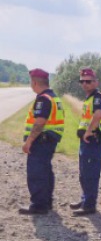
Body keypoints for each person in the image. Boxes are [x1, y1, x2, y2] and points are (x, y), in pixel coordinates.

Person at [19, 68, 64, 215]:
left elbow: (40, 122)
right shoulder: (53, 97)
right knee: (45, 171)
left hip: (41, 141)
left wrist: (29, 141)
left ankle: (39, 205)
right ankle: (46, 202)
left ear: (34, 82)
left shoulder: (43, 98)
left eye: (31, 82)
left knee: (37, 172)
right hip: (49, 141)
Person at [71, 67, 101, 216]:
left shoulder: (97, 97)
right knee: (84, 173)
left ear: (96, 82)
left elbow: (98, 114)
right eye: (82, 81)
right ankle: (84, 200)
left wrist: (88, 131)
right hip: (87, 141)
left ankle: (89, 205)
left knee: (90, 173)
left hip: (94, 139)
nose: (85, 84)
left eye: (88, 81)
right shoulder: (89, 99)